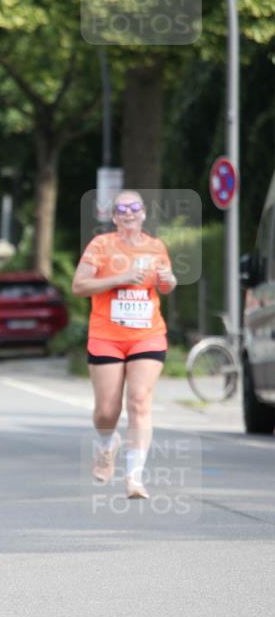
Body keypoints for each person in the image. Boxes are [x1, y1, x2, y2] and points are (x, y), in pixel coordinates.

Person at [71, 190, 177, 499]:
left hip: (148, 334)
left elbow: (166, 285)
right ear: (114, 217)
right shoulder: (101, 246)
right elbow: (79, 285)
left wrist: (169, 279)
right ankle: (107, 444)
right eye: (121, 209)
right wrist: (121, 278)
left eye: (134, 208)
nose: (128, 213)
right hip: (107, 336)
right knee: (107, 412)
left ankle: (134, 477)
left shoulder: (156, 247)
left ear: (144, 213)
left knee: (140, 402)